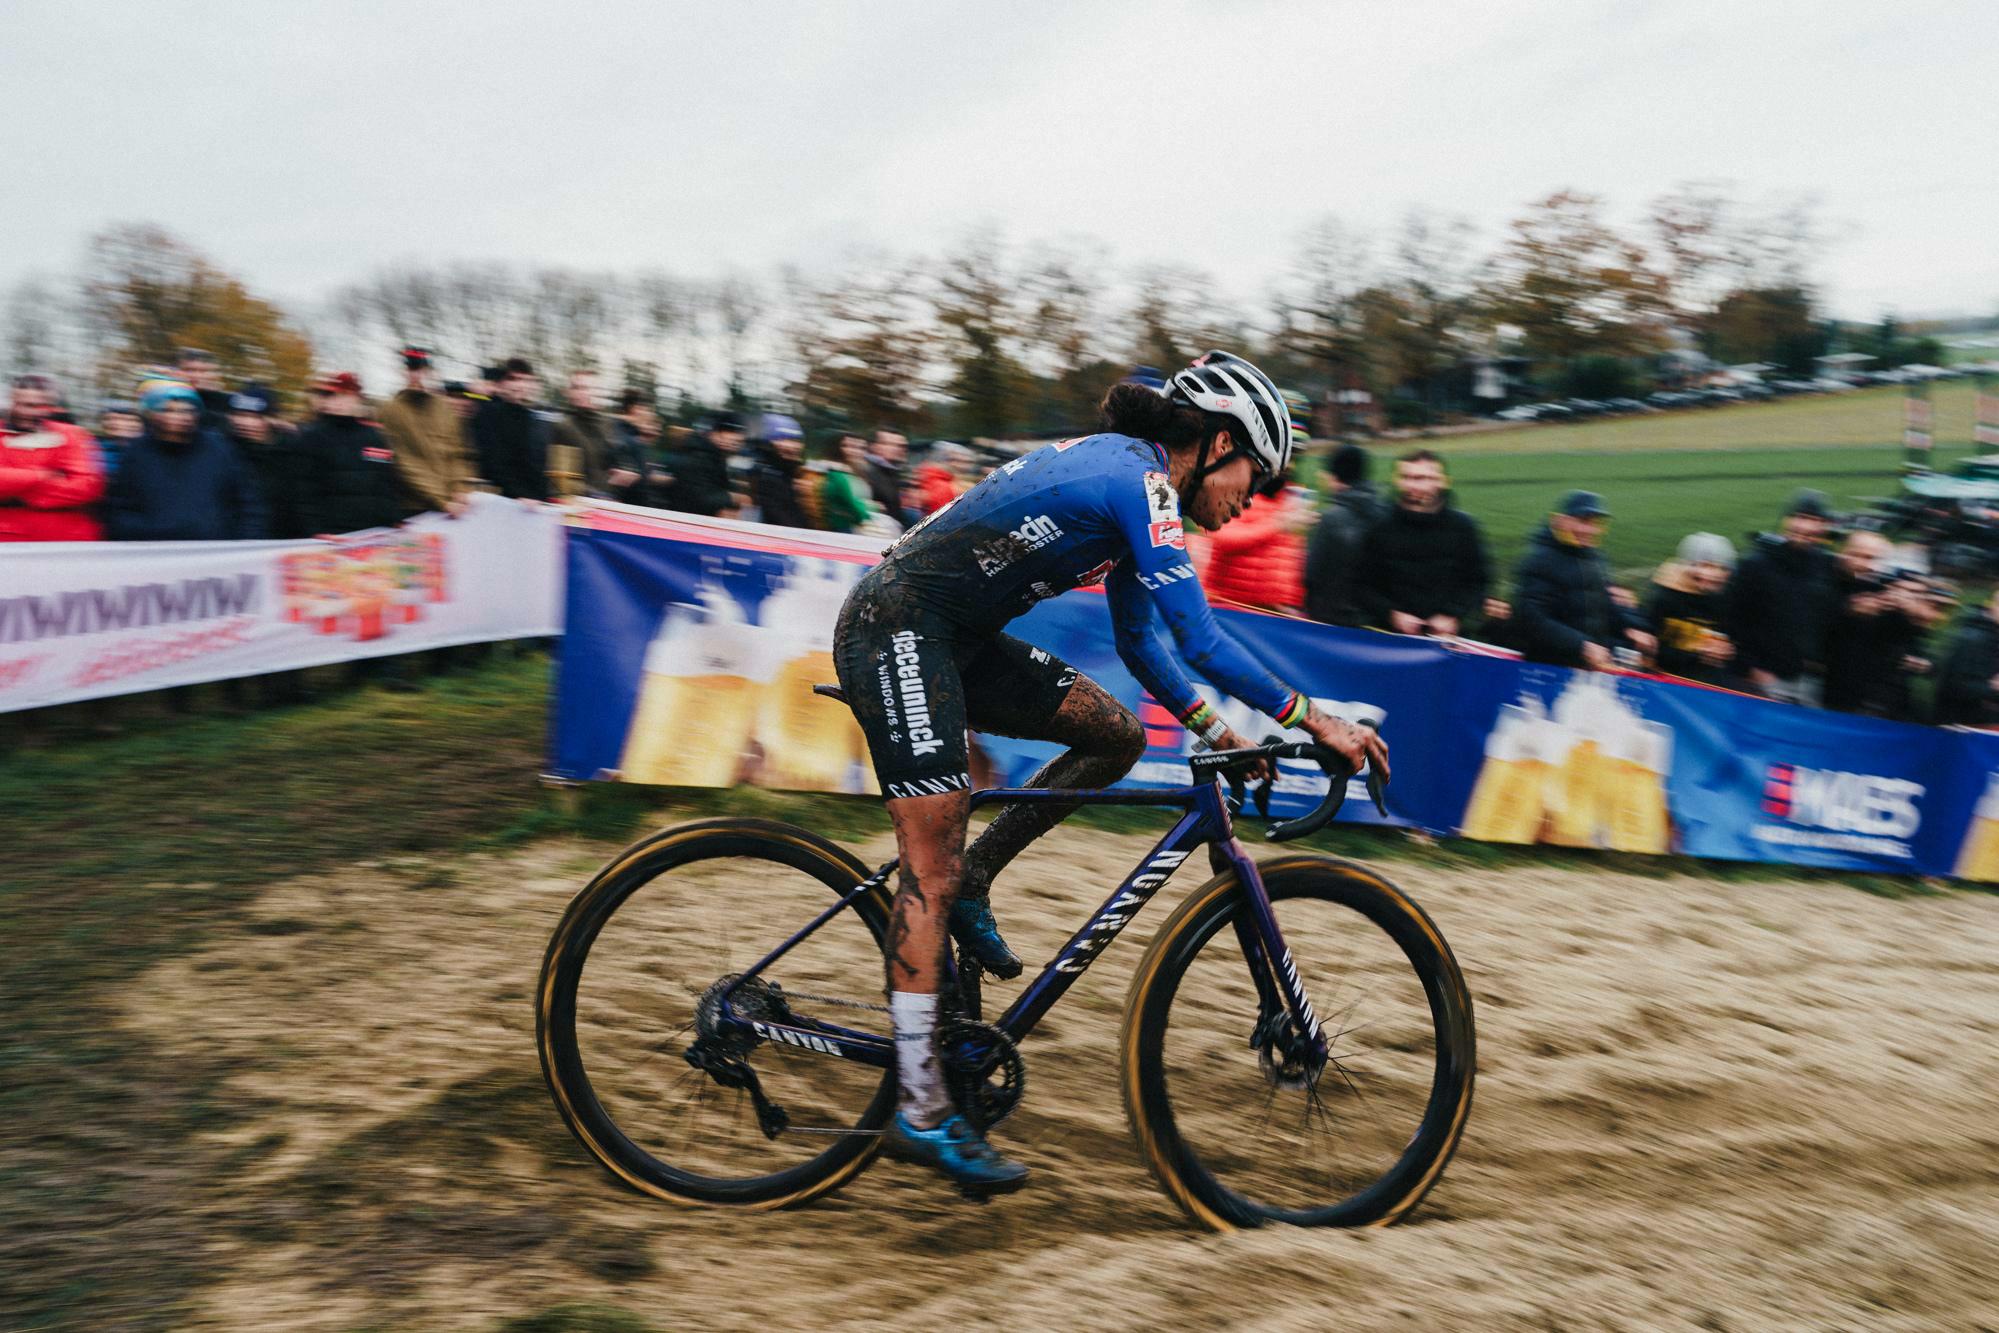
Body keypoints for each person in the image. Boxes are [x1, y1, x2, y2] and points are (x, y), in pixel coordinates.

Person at [826, 350, 1387, 1194]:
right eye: (1255, 477)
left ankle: (979, 872)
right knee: (928, 867)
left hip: (951, 636)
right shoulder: (1143, 484)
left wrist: (1216, 731)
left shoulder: (1140, 486)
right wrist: (1317, 719)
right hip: (895, 627)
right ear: (1220, 444)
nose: (1252, 501)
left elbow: (1140, 643)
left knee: (1111, 736)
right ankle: (918, 1106)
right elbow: (1199, 638)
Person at [1353, 449, 1490, 637]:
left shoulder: (1463, 527)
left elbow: (1478, 581)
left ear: (1442, 481)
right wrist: (1392, 614)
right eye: (1407, 477)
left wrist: (1452, 615)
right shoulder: (1378, 526)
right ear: (1397, 481)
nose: (1414, 485)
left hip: (1446, 638)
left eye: (1424, 478)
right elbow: (1360, 583)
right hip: (1390, 636)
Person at [104, 381, 266, 540]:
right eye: (168, 410)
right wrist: (157, 532)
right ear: (152, 415)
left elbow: (248, 505)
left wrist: (244, 543)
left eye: (187, 410)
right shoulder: (136, 454)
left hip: (216, 552)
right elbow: (119, 511)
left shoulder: (221, 449)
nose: (180, 416)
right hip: (155, 552)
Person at [1511, 491, 1655, 669]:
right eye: (1583, 521)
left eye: (1595, 523)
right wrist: (1581, 645)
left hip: (1590, 665)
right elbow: (1531, 619)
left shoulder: (1595, 559)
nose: (1590, 530)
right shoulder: (1539, 561)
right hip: (1549, 667)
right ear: (1561, 521)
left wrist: (1631, 628)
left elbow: (1605, 604)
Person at [1727, 490, 1841, 706]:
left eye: (1816, 520)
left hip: (1810, 680)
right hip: (1765, 678)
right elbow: (1733, 620)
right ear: (1786, 521)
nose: (1806, 527)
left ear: (1824, 527)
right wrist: (1751, 669)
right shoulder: (1756, 565)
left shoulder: (1826, 565)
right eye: (1801, 518)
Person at [1821, 532, 1943, 720]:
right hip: (1844, 693)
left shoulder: (1898, 608)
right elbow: (1828, 635)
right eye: (1861, 556)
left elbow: (1922, 653)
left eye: (1874, 559)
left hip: (1887, 700)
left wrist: (1923, 661)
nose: (1867, 565)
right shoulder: (1844, 589)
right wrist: (1849, 612)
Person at [292, 372, 405, 535]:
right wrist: (315, 530)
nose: (339, 402)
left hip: (371, 530)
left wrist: (394, 517)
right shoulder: (311, 437)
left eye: (346, 395)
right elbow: (304, 489)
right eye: (334, 396)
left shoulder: (374, 437)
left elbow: (385, 480)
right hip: (332, 533)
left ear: (357, 398)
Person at [0, 373, 106, 541]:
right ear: (10, 402)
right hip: (8, 537)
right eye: (21, 404)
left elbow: (87, 487)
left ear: (50, 407)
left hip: (68, 537)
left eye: (38, 406)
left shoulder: (72, 434)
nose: (27, 412)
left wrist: (15, 489)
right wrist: (40, 476)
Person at [377, 347, 473, 518]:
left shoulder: (444, 408)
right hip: (414, 507)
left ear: (430, 373)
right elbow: (402, 461)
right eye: (412, 370)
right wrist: (440, 501)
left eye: (422, 370)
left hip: (452, 504)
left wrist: (459, 488)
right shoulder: (390, 410)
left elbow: (456, 453)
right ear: (403, 372)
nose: (417, 376)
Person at [1187, 480, 1306, 612]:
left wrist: (1288, 598)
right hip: (1232, 604)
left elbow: (1285, 558)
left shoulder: (1287, 498)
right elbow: (1225, 538)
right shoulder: (1233, 497)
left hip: (1271, 607)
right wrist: (1276, 524)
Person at [1303, 442, 1383, 627]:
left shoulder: (1331, 520)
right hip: (1373, 619)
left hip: (1332, 620)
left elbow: (1311, 575)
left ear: (1334, 477)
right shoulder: (1385, 512)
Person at [1644, 533, 1737, 685]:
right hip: (1663, 682)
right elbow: (1648, 650)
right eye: (1705, 566)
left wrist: (1726, 650)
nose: (1714, 574)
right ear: (1687, 565)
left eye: (1722, 568)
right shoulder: (1663, 597)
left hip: (1707, 683)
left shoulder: (1723, 598)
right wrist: (1699, 654)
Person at [223, 383, 306, 538]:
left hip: (283, 539)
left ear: (271, 419)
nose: (245, 423)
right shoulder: (223, 449)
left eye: (255, 417)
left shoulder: (293, 452)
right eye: (239, 415)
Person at [471, 358, 550, 500]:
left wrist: (544, 497)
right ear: (501, 383)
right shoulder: (488, 414)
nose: (520, 385)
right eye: (513, 379)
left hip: (534, 500)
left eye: (526, 380)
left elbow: (537, 467)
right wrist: (521, 495)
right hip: (502, 498)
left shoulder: (533, 419)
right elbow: (493, 462)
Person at [1934, 588, 1999, 727]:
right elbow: (1957, 685)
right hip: (1963, 724)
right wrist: (1992, 689)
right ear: (1992, 606)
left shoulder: (1990, 637)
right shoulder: (1973, 638)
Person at [660, 413, 739, 517]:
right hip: (687, 517)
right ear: (714, 433)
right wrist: (732, 498)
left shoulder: (716, 456)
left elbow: (721, 485)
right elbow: (699, 497)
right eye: (730, 434)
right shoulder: (698, 456)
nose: (733, 441)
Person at [747, 413, 812, 528]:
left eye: (795, 440)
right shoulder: (766, 475)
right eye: (783, 439)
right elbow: (778, 515)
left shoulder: (791, 473)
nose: (792, 446)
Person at [612, 389, 671, 506]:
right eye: (648, 410)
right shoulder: (625, 438)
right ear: (635, 409)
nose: (650, 415)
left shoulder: (633, 436)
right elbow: (634, 482)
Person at [860, 427, 915, 527]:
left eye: (902, 446)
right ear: (874, 447)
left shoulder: (892, 471)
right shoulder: (866, 471)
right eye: (890, 444)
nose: (898, 449)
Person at [912, 441, 974, 516]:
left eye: (968, 462)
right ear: (946, 461)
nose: (965, 467)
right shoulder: (941, 486)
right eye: (960, 461)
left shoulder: (930, 477)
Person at [177, 347, 233, 424]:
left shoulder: (228, 402)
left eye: (203, 371)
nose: (196, 376)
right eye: (189, 370)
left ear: (216, 375)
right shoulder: (164, 395)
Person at [96, 400, 143, 479]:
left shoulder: (150, 452)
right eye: (108, 419)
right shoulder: (94, 451)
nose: (115, 423)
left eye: (127, 420)